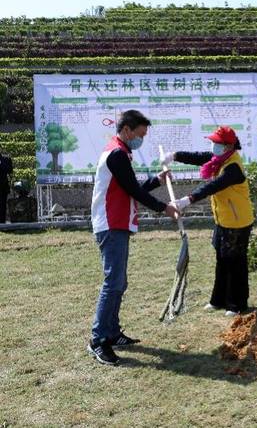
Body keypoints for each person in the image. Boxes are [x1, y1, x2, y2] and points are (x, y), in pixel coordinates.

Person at [88, 109, 179, 365]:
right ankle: (98, 340)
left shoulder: (121, 152)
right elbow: (133, 191)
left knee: (119, 282)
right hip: (110, 223)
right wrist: (165, 208)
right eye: (139, 134)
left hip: (117, 224)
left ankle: (112, 332)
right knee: (113, 282)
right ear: (126, 130)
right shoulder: (116, 154)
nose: (140, 140)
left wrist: (156, 181)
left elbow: (132, 188)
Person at [162, 126, 254, 317]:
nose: (213, 146)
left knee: (235, 262)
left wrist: (186, 200)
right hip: (223, 220)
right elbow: (198, 156)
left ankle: (236, 304)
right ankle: (218, 300)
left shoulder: (233, 167)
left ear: (228, 146)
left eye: (217, 143)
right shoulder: (220, 159)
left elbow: (213, 186)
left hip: (238, 223)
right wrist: (174, 155)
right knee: (221, 259)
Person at [0, 151, 13, 223]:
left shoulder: (6, 158)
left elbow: (10, 170)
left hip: (2, 186)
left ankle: (2, 222)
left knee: (2, 205)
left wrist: (1, 163)